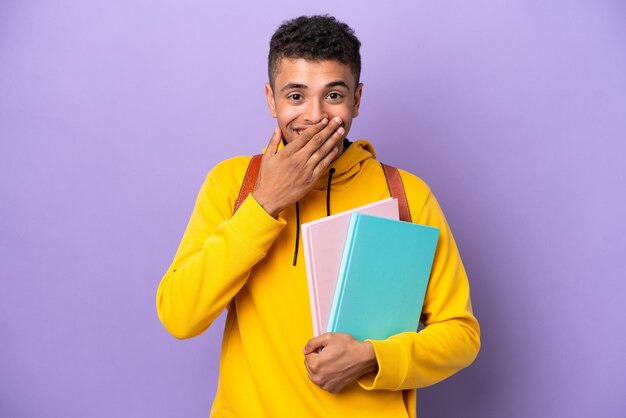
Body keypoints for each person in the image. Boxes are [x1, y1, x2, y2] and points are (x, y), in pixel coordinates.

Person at [156, 14, 480, 418]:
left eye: (333, 95)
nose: (315, 116)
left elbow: (461, 335)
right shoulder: (231, 185)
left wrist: (373, 357)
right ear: (271, 99)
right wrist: (265, 204)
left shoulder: (407, 196)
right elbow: (179, 316)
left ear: (357, 100)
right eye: (295, 96)